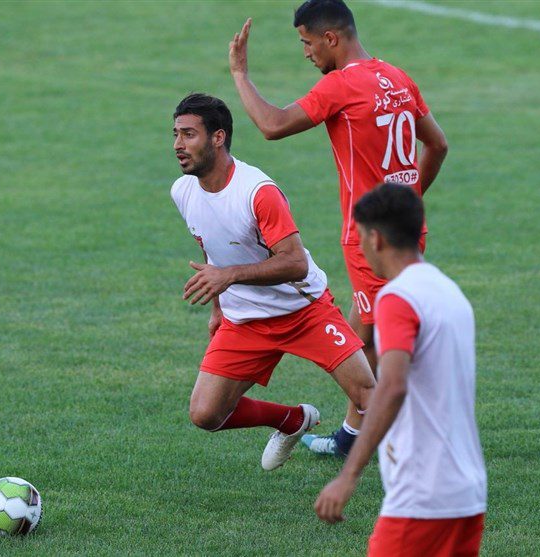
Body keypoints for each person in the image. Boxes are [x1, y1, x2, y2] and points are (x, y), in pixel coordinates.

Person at [229, 0, 449, 457]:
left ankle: (413, 438)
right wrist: (408, 201)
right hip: (409, 229)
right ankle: (352, 436)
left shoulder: (341, 86)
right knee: (362, 335)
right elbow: (438, 144)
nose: (306, 53)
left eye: (307, 43)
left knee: (374, 339)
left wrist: (240, 76)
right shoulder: (397, 76)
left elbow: (271, 126)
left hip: (371, 240)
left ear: (331, 38)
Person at [170, 93, 376, 471]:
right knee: (206, 414)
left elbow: (295, 263)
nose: (178, 146)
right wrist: (218, 306)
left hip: (304, 310)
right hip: (244, 319)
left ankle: (418, 470)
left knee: (368, 393)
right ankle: (291, 420)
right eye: (176, 135)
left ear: (218, 137)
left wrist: (228, 277)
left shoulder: (258, 193)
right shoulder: (183, 191)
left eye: (188, 135)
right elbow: (212, 249)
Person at [313, 183, 487, 556]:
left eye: (359, 237)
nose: (358, 248)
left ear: (376, 239)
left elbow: (391, 386)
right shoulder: (449, 291)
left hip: (423, 495)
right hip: (467, 491)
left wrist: (348, 475)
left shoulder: (396, 298)